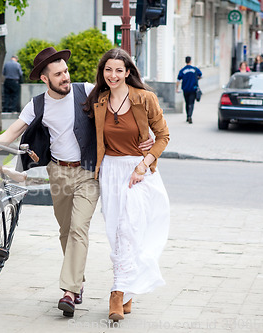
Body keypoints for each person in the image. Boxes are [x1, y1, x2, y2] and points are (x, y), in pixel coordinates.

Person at [0, 47, 153, 318]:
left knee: (78, 229)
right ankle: (79, 280)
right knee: (65, 232)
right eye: (58, 74)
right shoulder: (37, 104)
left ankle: (69, 291)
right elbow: (14, 131)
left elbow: (124, 100)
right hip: (58, 173)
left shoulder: (86, 90)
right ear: (45, 79)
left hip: (87, 172)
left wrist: (146, 136)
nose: (65, 77)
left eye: (66, 71)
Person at [83, 48, 170, 322]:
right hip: (110, 170)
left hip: (138, 172)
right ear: (103, 72)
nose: (113, 75)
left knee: (128, 229)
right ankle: (129, 289)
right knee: (115, 231)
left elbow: (164, 136)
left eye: (119, 70)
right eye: (108, 69)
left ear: (128, 72)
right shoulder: (98, 100)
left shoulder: (145, 99)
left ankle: (117, 294)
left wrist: (143, 164)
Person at [176, 56, 202, 124]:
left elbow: (178, 79)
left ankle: (188, 116)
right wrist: (196, 78)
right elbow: (200, 75)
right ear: (190, 61)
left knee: (187, 103)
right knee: (191, 103)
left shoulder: (183, 70)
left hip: (185, 89)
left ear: (185, 61)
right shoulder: (195, 69)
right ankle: (190, 116)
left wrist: (176, 88)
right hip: (193, 89)